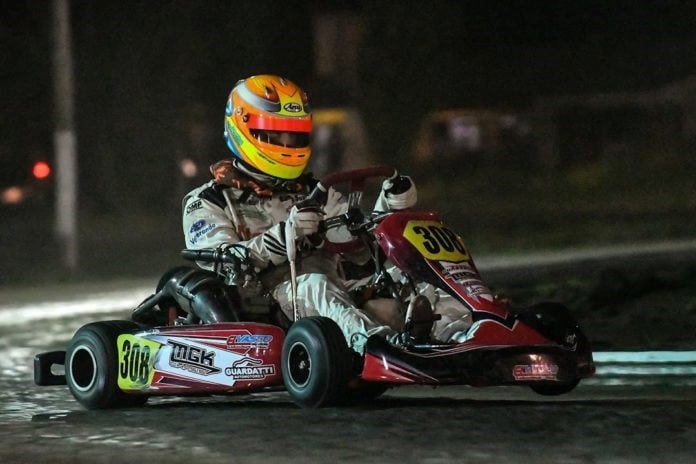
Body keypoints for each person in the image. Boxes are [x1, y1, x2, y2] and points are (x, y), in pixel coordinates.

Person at [181, 74, 471, 353]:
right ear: (245, 129)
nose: (286, 144)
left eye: (293, 136)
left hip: (337, 291)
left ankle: (462, 336)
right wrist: (285, 237)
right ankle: (377, 349)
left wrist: (388, 210)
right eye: (275, 134)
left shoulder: (314, 191)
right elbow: (222, 262)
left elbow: (359, 247)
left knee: (410, 276)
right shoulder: (207, 200)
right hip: (267, 303)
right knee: (314, 286)